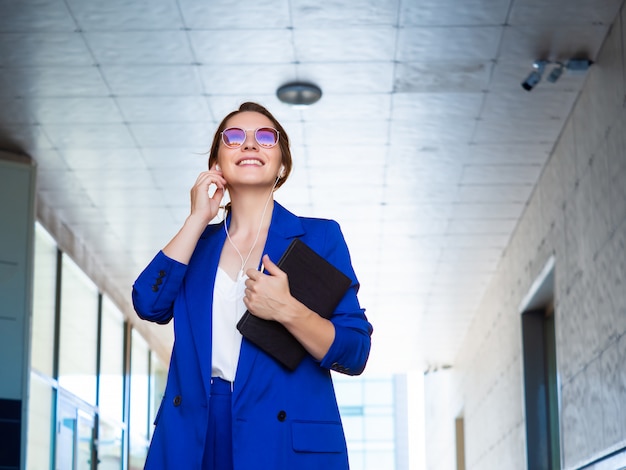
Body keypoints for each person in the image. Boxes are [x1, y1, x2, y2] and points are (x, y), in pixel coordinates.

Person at [132, 102, 373, 470]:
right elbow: (148, 304)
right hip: (194, 432)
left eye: (265, 137)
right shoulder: (195, 246)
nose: (248, 144)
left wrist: (287, 310)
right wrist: (198, 219)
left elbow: (355, 351)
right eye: (233, 137)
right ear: (216, 165)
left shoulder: (320, 238)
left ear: (282, 165)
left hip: (280, 437)